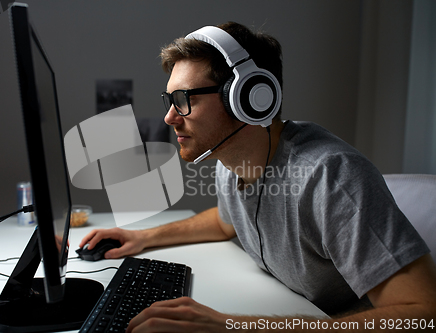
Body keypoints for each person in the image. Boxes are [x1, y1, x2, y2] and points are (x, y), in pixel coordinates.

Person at [80, 22, 436, 332]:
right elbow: (224, 222)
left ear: (249, 98)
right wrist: (141, 238)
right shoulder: (230, 160)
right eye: (169, 100)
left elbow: (420, 316)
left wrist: (237, 325)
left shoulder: (329, 177)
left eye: (184, 99)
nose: (170, 118)